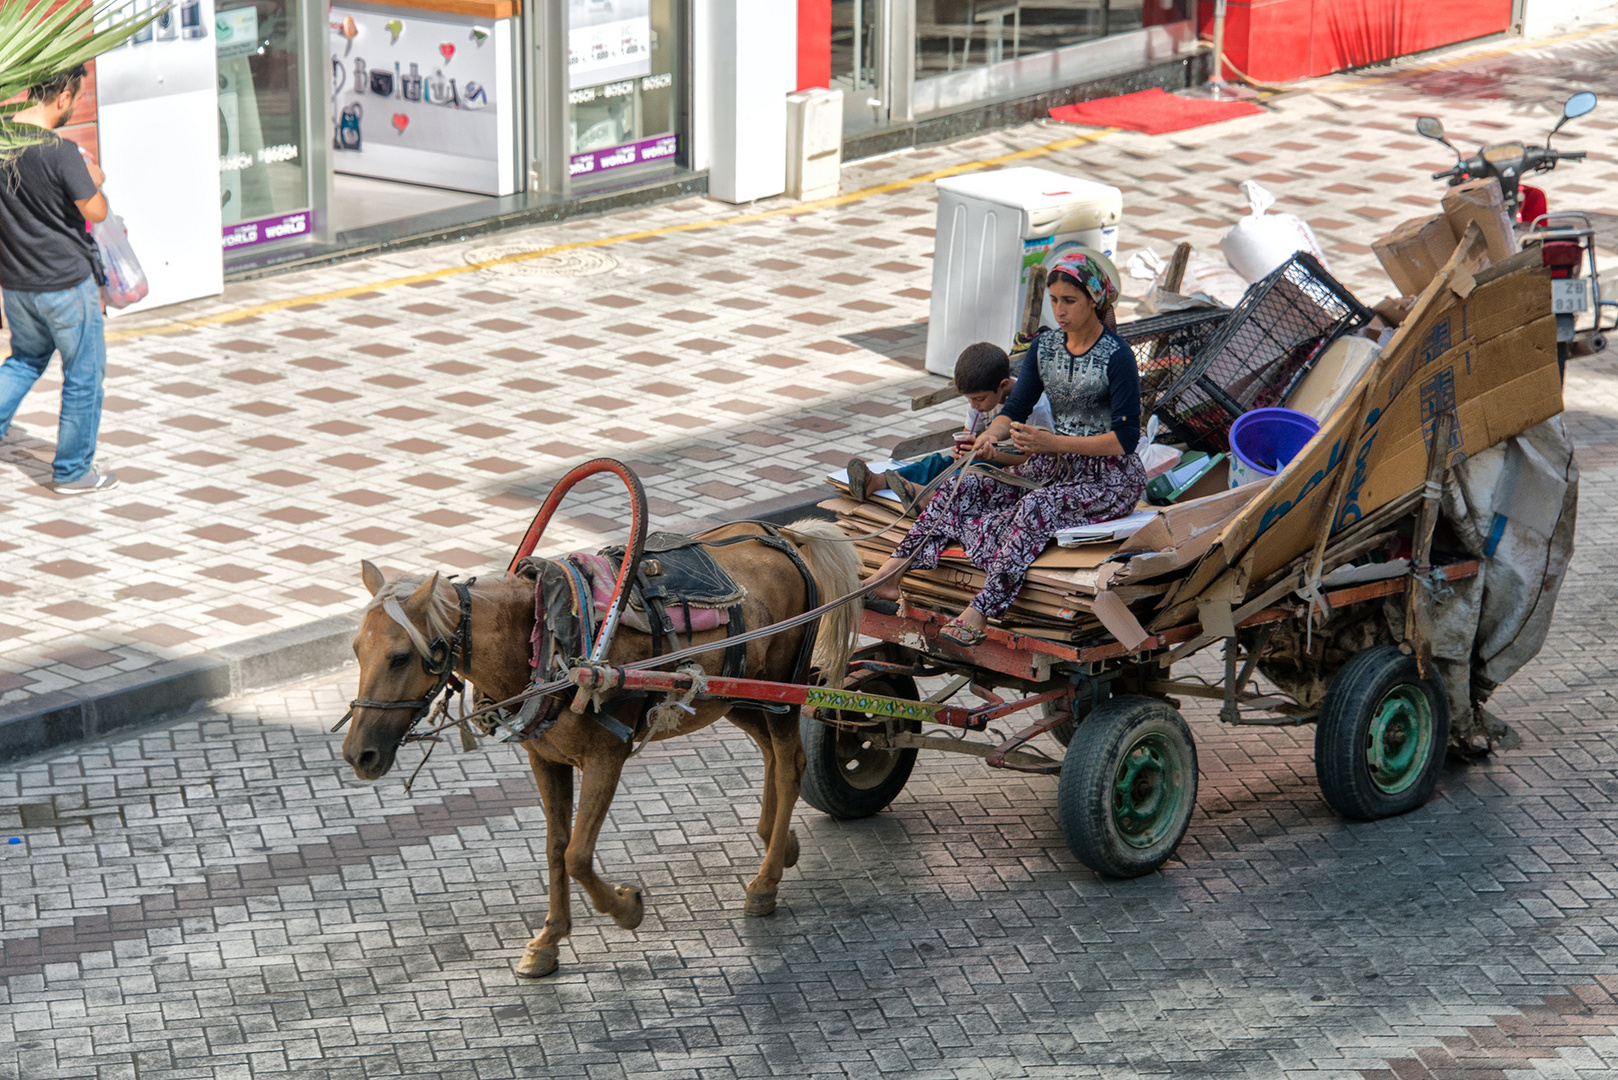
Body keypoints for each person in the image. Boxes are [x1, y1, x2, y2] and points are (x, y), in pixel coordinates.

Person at [867, 250, 1145, 645]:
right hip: (1053, 467)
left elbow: (1126, 439)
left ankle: (981, 611)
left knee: (1035, 508)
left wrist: (1053, 443)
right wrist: (988, 437)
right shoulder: (1045, 349)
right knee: (966, 483)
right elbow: (1015, 407)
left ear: (1094, 301)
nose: (1059, 311)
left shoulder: (1117, 358)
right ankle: (892, 572)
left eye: (1070, 301)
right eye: (1054, 301)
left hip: (1108, 479)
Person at [0, 64, 117, 494]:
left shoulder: (1, 140)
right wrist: (96, 180)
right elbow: (96, 210)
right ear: (63, 96)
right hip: (66, 285)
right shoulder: (60, 152)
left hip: (16, 284)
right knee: (84, 373)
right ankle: (72, 472)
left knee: (23, 362)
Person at [845, 341, 1053, 507]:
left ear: (1003, 385)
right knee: (937, 463)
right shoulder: (980, 400)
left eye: (979, 399)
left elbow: (1034, 463)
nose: (973, 405)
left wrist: (993, 455)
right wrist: (961, 451)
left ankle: (934, 498)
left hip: (1021, 471)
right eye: (969, 399)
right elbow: (967, 435)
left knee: (971, 471)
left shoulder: (1035, 407)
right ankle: (877, 481)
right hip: (986, 459)